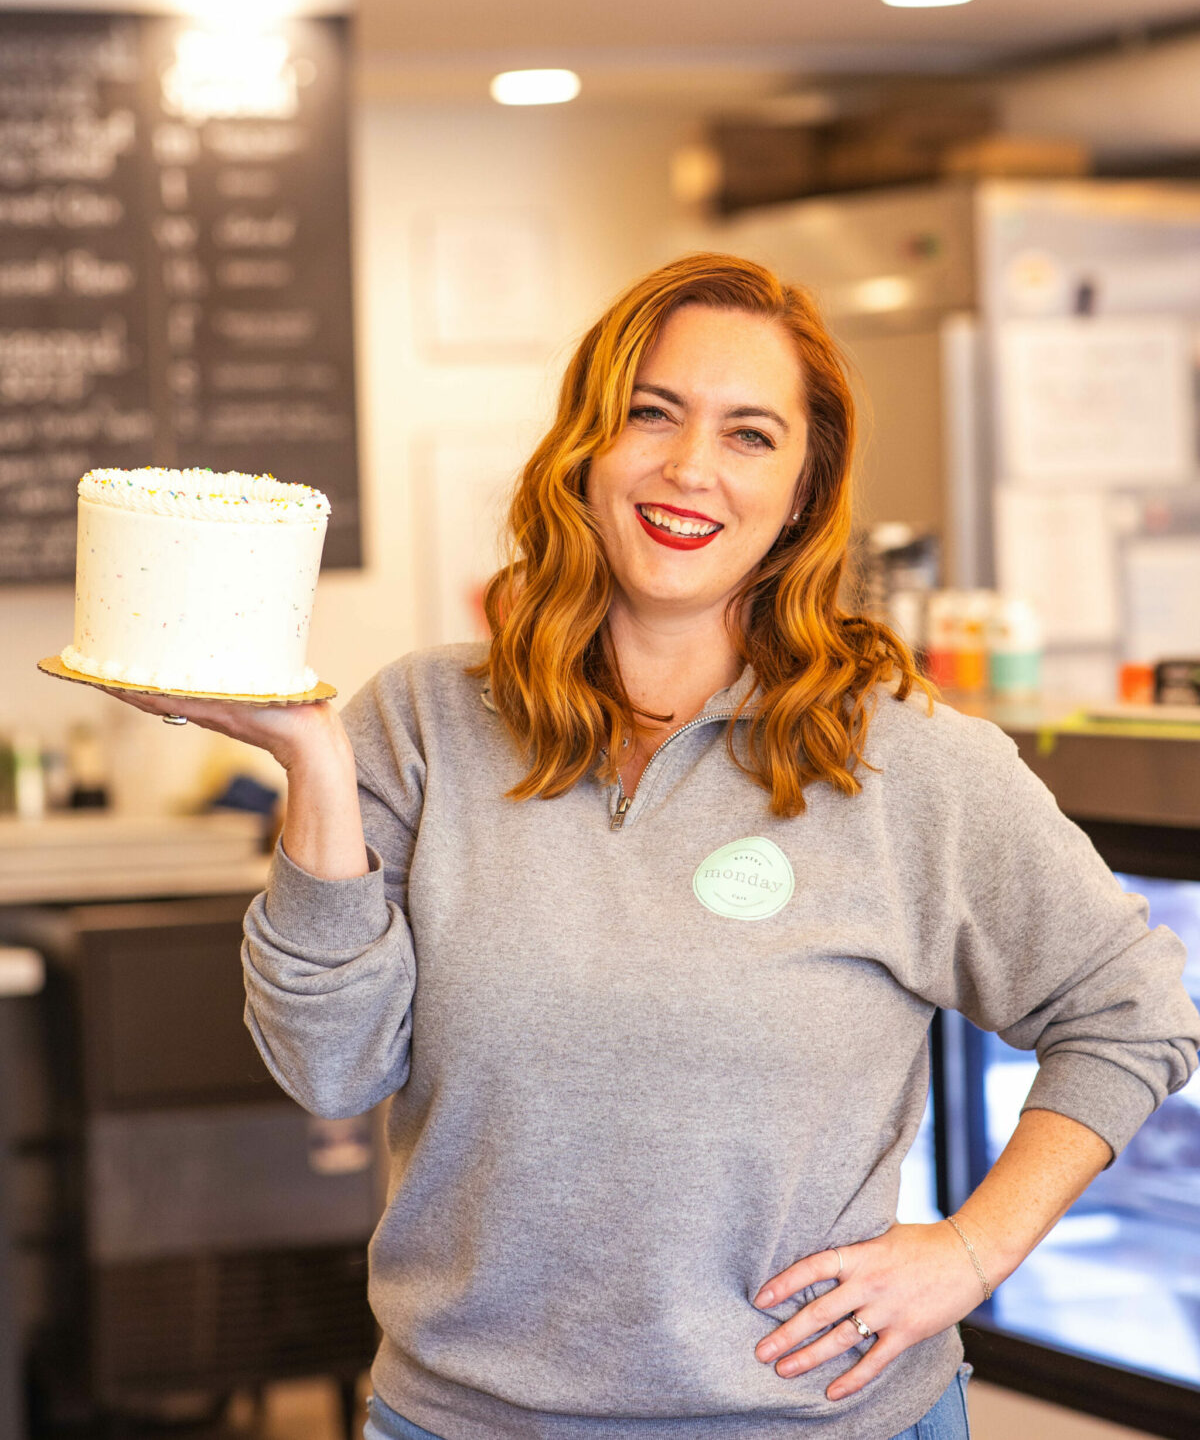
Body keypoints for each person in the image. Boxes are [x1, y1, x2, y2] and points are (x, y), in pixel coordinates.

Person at [107, 254, 1200, 1440]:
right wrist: (314, 768)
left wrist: (974, 1252)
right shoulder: (418, 721)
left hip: (810, 1425)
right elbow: (329, 1070)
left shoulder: (906, 760)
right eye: (653, 413)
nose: (690, 470)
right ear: (585, 442)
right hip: (463, 1421)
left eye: (750, 435)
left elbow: (1135, 1010)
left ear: (802, 491)